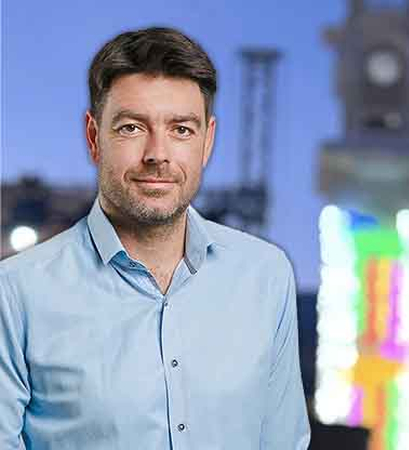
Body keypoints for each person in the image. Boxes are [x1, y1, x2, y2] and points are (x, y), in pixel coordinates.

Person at [0, 27, 310, 449]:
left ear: (207, 141)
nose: (157, 154)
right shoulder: (17, 293)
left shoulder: (265, 276)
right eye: (131, 128)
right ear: (94, 137)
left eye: (181, 130)